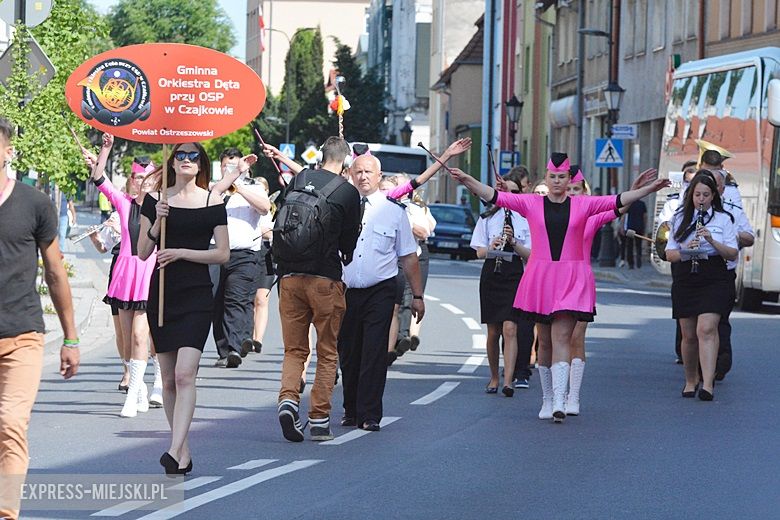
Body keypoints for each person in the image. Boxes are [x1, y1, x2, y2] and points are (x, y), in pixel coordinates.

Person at [448, 152, 668, 422]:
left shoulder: (583, 205)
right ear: (547, 177)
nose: (556, 181)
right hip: (541, 277)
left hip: (571, 277)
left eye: (561, 177)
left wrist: (647, 189)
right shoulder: (531, 203)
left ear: (568, 179)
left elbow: (618, 201)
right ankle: (548, 398)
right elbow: (495, 195)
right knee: (545, 344)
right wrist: (467, 179)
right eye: (552, 176)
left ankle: (562, 399)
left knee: (563, 337)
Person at [0, 117, 80, 520]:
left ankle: (6, 511)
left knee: (11, 421)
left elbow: (55, 271)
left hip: (22, 334)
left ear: (8, 151)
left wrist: (70, 338)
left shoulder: (34, 204)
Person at [137, 142, 230, 474]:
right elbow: (143, 252)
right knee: (166, 379)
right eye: (181, 155)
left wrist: (182, 253)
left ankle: (174, 448)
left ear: (201, 163)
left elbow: (222, 254)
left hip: (196, 295)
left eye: (194, 156)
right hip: (162, 295)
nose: (187, 160)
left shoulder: (212, 201)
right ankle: (184, 452)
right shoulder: (156, 200)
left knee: (184, 373)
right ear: (172, 162)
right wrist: (157, 222)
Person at [274, 136, 361, 443]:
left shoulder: (299, 178)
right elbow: (349, 243)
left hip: (289, 276)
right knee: (327, 351)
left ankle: (288, 399)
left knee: (295, 349)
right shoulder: (348, 193)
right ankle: (320, 418)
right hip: (325, 278)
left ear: (321, 156)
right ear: (346, 161)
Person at [338, 154, 425, 432]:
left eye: (368, 172)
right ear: (351, 175)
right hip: (347, 290)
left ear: (378, 176)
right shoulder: (341, 207)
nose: (363, 176)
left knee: (373, 351)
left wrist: (418, 296)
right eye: (358, 172)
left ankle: (370, 413)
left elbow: (409, 257)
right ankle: (350, 409)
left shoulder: (394, 211)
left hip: (381, 289)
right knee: (349, 352)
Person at [565, 166, 657, 416]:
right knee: (556, 341)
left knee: (576, 339)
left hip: (581, 282)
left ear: (584, 192)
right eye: (569, 189)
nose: (573, 194)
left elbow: (619, 208)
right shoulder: (551, 216)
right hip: (556, 282)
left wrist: (634, 190)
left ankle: (573, 396)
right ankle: (555, 393)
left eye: (578, 189)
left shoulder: (590, 217)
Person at [88, 138, 160, 417]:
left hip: (147, 273)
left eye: (146, 178)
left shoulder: (162, 205)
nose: (141, 182)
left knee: (142, 335)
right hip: (124, 274)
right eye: (137, 178)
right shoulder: (124, 203)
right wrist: (105, 149)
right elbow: (99, 178)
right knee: (127, 338)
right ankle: (139, 387)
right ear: (130, 180)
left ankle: (133, 394)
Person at [665, 172, 738, 401]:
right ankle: (690, 379)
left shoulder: (723, 219)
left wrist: (711, 241)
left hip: (714, 276)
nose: (701, 199)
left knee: (706, 328)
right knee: (689, 334)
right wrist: (686, 249)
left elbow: (732, 252)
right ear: (691, 195)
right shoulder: (680, 218)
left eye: (706, 194)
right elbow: (669, 253)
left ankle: (708, 384)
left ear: (713, 195)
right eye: (697, 194)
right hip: (687, 276)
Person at [470, 169, 531, 396]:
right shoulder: (487, 218)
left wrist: (513, 242)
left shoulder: (525, 219)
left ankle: (508, 380)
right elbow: (478, 251)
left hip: (514, 272)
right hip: (492, 272)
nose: (509, 195)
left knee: (510, 327)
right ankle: (494, 377)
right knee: (494, 330)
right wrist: (492, 246)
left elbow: (531, 255)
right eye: (505, 191)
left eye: (514, 192)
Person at [210, 147, 270, 368]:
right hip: (215, 253)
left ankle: (235, 348)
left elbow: (264, 208)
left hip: (244, 254)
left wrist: (239, 186)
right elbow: (212, 194)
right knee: (216, 302)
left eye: (235, 166)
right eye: (227, 166)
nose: (231, 169)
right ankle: (224, 349)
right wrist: (228, 183)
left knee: (235, 299)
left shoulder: (254, 188)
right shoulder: (214, 188)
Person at [707, 168, 754, 381]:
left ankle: (721, 358)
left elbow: (749, 237)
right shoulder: (691, 207)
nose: (710, 191)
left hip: (724, 272)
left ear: (722, 189)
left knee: (720, 319)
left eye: (715, 186)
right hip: (696, 273)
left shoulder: (732, 210)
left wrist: (729, 237)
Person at [251, 177, 276, 354]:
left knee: (262, 299)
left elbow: (272, 232)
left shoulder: (271, 210)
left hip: (266, 255)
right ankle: (246, 335)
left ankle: (257, 339)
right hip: (249, 253)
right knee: (248, 299)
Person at [623, 198, 647, 269]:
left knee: (629, 246)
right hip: (639, 227)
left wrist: (622, 226)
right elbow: (645, 216)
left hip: (630, 227)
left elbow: (624, 216)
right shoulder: (642, 204)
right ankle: (638, 262)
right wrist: (644, 227)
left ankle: (631, 263)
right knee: (638, 245)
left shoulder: (629, 204)